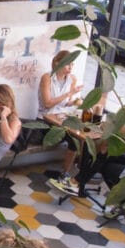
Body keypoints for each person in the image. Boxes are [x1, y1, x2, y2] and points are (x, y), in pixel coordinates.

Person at [38, 50, 83, 191]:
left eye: (72, 65)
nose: (70, 68)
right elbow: (47, 103)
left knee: (80, 136)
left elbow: (66, 103)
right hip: (45, 120)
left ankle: (68, 172)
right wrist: (69, 94)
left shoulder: (72, 79)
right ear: (57, 63)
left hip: (61, 118)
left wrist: (75, 101)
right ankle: (65, 174)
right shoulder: (47, 78)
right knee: (74, 138)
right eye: (68, 65)